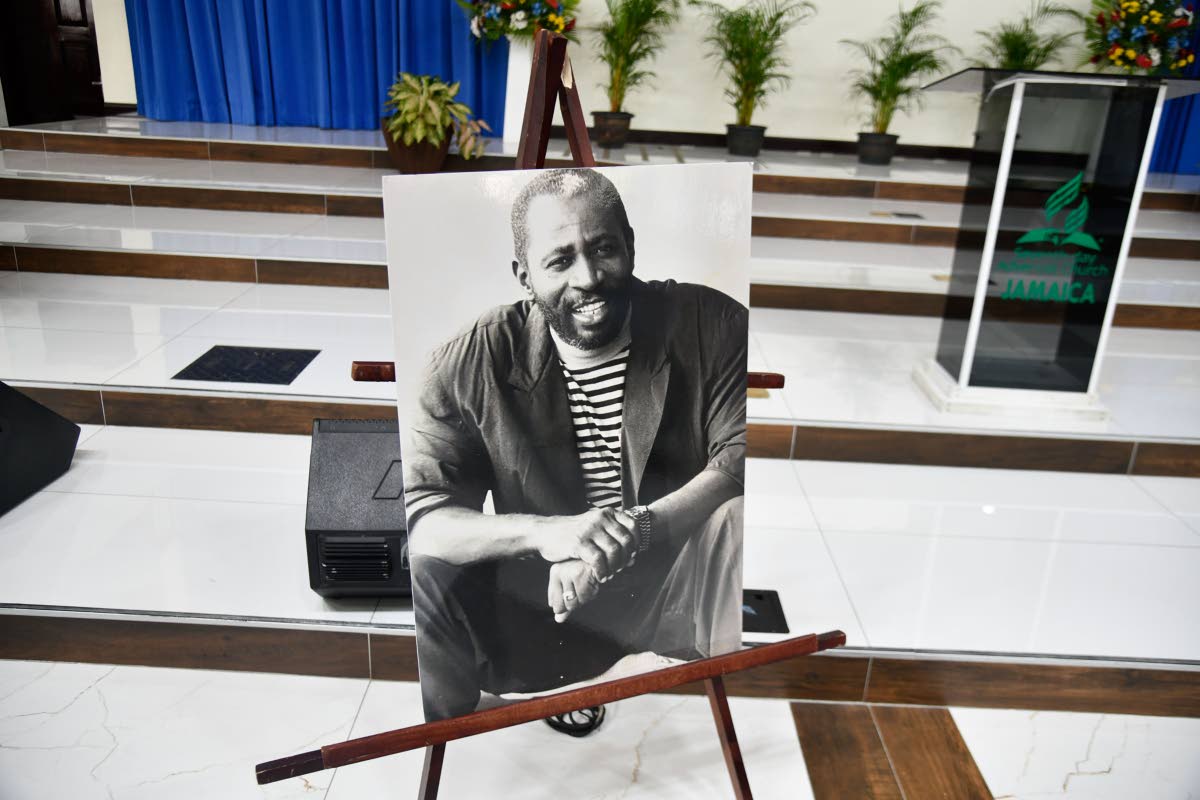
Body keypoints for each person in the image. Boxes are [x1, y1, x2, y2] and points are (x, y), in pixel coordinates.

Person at [403, 168, 748, 721]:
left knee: (734, 513)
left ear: (630, 244)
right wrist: (552, 534)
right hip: (545, 608)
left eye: (604, 249)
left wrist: (630, 533)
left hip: (671, 593)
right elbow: (425, 520)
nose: (588, 277)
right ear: (524, 275)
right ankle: (448, 740)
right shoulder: (467, 359)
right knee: (429, 566)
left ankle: (714, 710)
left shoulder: (712, 322)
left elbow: (737, 460)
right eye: (560, 261)